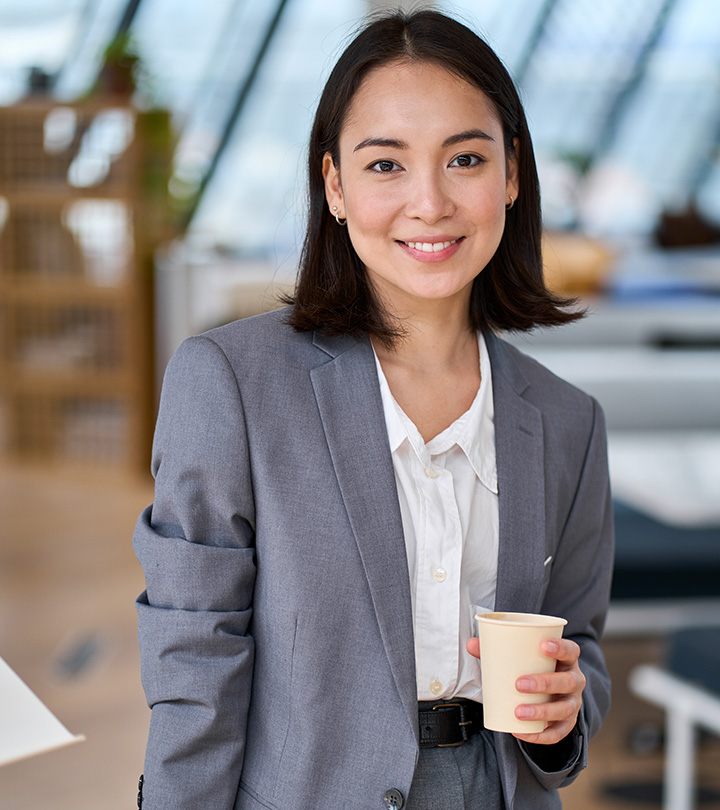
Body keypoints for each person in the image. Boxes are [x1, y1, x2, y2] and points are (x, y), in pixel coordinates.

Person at [133, 9, 614, 810]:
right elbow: (194, 664)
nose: (429, 202)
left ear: (511, 175)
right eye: (386, 164)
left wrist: (564, 716)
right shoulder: (231, 384)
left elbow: (580, 646)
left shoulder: (568, 421)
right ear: (335, 186)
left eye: (465, 159)